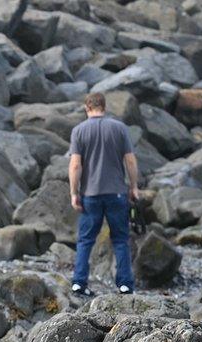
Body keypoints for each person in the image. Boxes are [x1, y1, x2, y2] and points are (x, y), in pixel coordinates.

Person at [69, 92, 139, 296]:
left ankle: (79, 283)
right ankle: (125, 284)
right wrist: (133, 187)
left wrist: (74, 193)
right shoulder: (119, 128)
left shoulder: (79, 131)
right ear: (104, 107)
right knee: (120, 239)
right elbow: (131, 161)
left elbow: (75, 166)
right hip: (116, 193)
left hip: (90, 194)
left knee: (85, 240)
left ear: (86, 108)